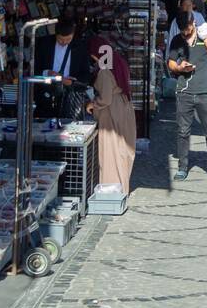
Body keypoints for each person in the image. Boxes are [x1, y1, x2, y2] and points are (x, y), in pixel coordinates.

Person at [166, 12, 207, 182]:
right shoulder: (177, 40)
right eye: (183, 30)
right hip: (184, 92)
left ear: (193, 22)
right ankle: (183, 168)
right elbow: (170, 62)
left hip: (205, 91)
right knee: (183, 131)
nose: (186, 33)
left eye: (188, 28)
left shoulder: (204, 37)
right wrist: (179, 68)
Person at [86, 37, 137, 195]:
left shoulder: (105, 70)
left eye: (94, 55)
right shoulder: (119, 61)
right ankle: (121, 186)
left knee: (111, 151)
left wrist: (92, 104)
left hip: (112, 113)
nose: (93, 58)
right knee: (121, 149)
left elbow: (105, 98)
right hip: (123, 107)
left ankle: (112, 188)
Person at [33, 18, 92, 118]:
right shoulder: (44, 44)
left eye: (68, 39)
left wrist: (71, 82)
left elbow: (86, 74)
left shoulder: (80, 47)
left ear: (73, 35)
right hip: (46, 93)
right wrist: (47, 72)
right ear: (55, 34)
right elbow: (34, 67)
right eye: (60, 39)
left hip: (69, 97)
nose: (64, 42)